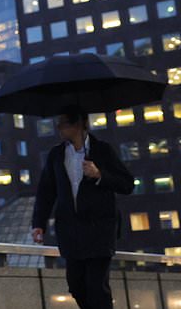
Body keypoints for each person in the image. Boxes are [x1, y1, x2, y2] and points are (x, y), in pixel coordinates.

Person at [31, 105, 135, 309]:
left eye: (64, 123)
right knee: (76, 285)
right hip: (71, 232)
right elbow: (46, 191)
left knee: (97, 286)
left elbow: (127, 184)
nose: (59, 128)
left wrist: (100, 175)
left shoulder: (102, 150)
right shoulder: (56, 155)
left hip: (100, 230)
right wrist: (38, 224)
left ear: (79, 125)